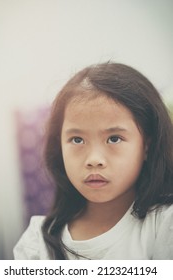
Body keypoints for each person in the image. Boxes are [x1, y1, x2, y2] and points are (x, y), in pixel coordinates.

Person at [14, 62, 173, 260]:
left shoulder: (164, 226)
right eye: (77, 140)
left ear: (146, 146)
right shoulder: (37, 244)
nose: (94, 160)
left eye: (114, 138)